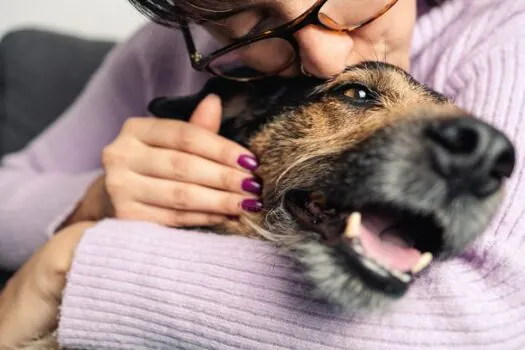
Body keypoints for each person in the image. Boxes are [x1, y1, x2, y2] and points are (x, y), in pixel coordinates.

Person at [1, 0, 524, 348]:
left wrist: (79, 261)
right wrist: (94, 201)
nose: (325, 57)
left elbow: (489, 317)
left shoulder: (506, 34)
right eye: (254, 25)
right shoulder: (177, 54)